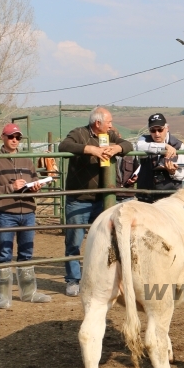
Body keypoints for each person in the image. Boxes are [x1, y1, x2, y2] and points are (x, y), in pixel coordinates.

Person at [58, 107, 136, 297]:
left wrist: (117, 148)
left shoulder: (109, 135)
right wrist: (90, 149)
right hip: (79, 199)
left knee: (106, 240)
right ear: (97, 123)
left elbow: (128, 145)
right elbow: (64, 146)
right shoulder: (79, 133)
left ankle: (102, 279)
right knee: (74, 241)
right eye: (108, 121)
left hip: (103, 200)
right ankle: (73, 280)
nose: (111, 124)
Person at [0, 122, 51, 309]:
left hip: (28, 211)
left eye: (18, 137)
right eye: (11, 137)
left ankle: (29, 293)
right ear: (3, 137)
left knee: (26, 253)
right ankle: (2, 297)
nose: (14, 140)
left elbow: (34, 179)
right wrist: (11, 188)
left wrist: (35, 186)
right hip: (6, 212)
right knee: (4, 254)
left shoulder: (27, 161)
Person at [135, 113, 184, 200]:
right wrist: (164, 146)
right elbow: (139, 147)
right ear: (149, 130)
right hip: (146, 197)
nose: (157, 134)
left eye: (160, 130)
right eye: (153, 130)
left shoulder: (179, 145)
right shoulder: (144, 140)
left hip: (169, 198)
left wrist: (173, 172)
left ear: (167, 128)